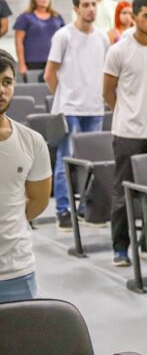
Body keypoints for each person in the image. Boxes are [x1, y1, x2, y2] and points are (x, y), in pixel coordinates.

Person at [103, 0, 147, 267]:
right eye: (146, 15)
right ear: (134, 17)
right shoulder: (119, 50)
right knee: (123, 194)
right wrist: (127, 113)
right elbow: (108, 91)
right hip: (128, 133)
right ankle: (120, 248)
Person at [44, 0, 109, 231]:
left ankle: (85, 208)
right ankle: (63, 210)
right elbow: (49, 74)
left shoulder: (102, 38)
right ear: (76, 9)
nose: (91, 8)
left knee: (93, 162)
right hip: (69, 108)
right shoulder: (64, 36)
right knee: (66, 159)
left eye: (94, 4)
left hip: (94, 108)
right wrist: (64, 97)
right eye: (86, 5)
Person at [0, 50, 52, 303]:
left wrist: (10, 222)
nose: (1, 90)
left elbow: (38, 201)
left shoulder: (32, 142)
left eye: (7, 82)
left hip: (16, 270)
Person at [13, 0, 65, 77]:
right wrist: (21, 64)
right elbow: (18, 42)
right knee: (36, 90)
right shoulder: (25, 17)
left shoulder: (57, 17)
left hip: (55, 61)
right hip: (33, 62)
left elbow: (64, 40)